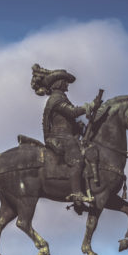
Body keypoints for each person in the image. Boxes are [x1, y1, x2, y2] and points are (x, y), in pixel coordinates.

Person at [31, 64, 100, 206]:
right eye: (65, 82)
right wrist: (91, 105)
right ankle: (77, 193)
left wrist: (78, 126)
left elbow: (68, 118)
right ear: (59, 83)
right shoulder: (56, 98)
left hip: (67, 136)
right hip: (60, 138)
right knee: (77, 159)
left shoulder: (60, 97)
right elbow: (72, 112)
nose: (67, 85)